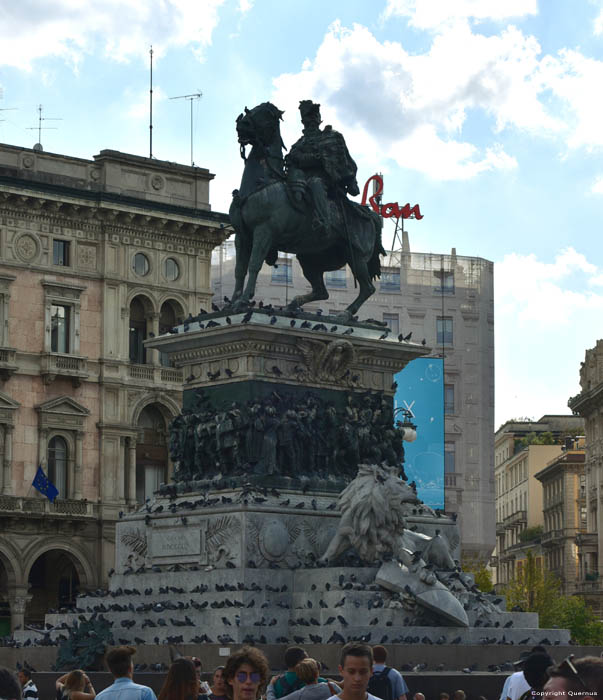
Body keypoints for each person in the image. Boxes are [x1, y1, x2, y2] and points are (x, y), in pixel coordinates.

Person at [286, 100, 359, 234]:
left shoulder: (331, 136)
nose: (310, 120)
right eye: (307, 118)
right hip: (300, 178)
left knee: (315, 184)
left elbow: (343, 160)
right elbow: (292, 159)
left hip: (325, 178)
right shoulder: (299, 143)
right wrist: (310, 158)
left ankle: (324, 221)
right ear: (303, 121)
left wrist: (350, 181)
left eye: (313, 117)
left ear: (319, 119)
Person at [267, 659, 340, 700]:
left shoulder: (299, 695)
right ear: (317, 673)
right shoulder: (331, 687)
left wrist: (271, 685)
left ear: (300, 676)